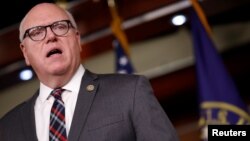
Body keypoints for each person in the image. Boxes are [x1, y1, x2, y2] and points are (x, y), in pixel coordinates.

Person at [0, 2, 179, 141]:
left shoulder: (130, 92)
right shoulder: (7, 128)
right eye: (37, 32)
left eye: (60, 26)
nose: (50, 36)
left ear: (77, 40)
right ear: (25, 52)